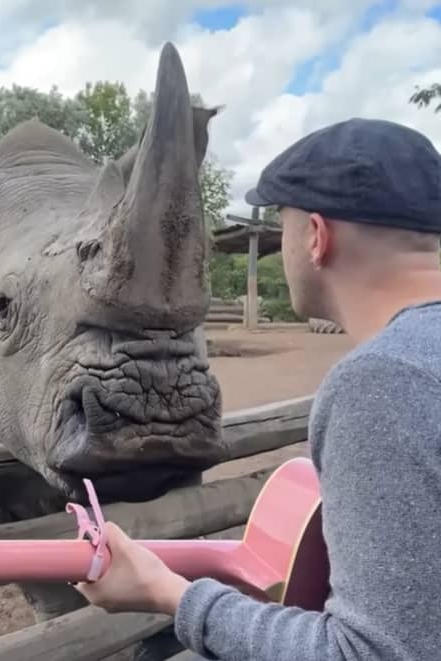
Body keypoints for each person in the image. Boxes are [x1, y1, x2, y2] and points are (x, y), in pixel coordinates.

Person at [74, 117, 441, 660]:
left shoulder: (384, 382)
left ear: (317, 236)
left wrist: (171, 595)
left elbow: (369, 653)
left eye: (283, 225)